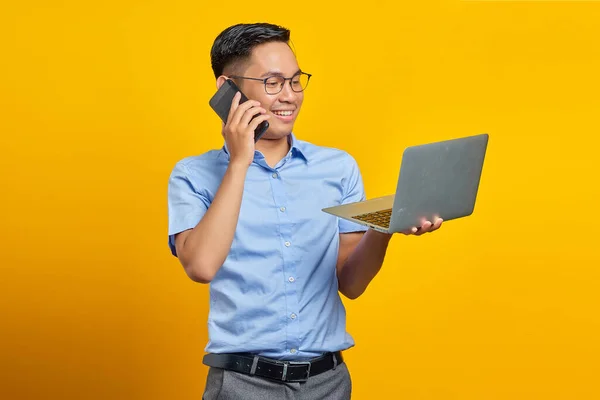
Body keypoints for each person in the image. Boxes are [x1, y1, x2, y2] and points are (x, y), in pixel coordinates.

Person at [167, 22, 443, 400]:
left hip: (327, 383)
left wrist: (386, 226)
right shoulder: (193, 175)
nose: (289, 96)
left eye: (296, 81)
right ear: (227, 88)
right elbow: (200, 266)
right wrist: (239, 162)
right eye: (273, 82)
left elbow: (351, 283)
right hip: (242, 383)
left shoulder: (338, 168)